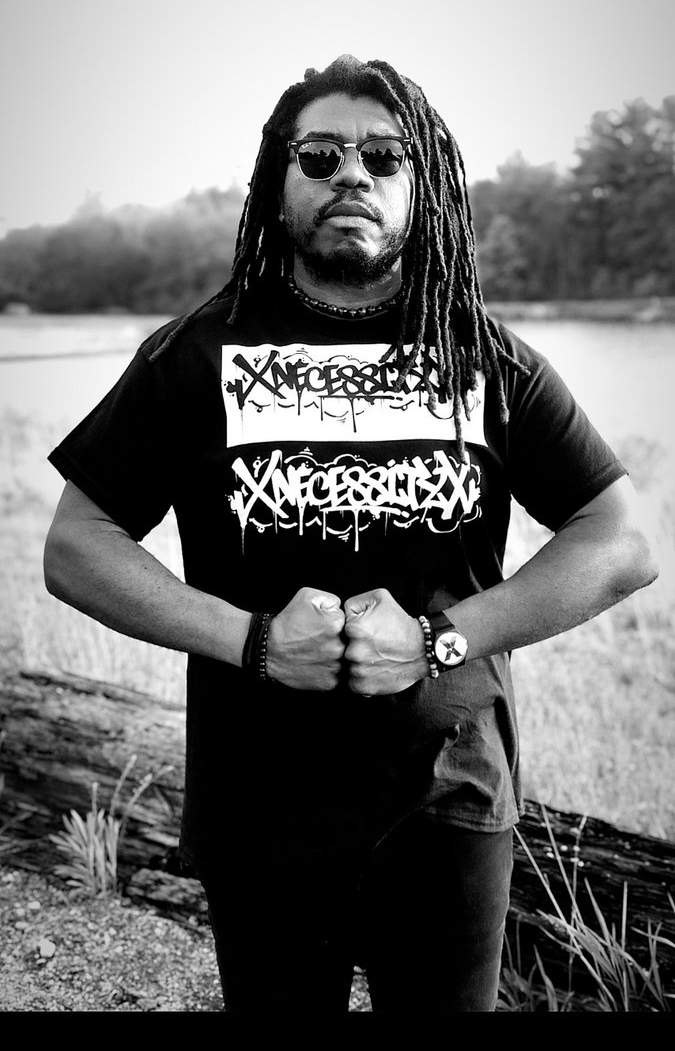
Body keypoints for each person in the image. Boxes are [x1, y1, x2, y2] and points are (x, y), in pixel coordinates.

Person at [43, 53, 658, 1014]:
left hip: (450, 798)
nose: (352, 176)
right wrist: (251, 640)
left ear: (423, 184)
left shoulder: (480, 356)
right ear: (277, 179)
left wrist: (437, 640)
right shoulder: (195, 354)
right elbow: (76, 543)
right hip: (260, 807)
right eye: (320, 156)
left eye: (383, 156)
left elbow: (619, 540)